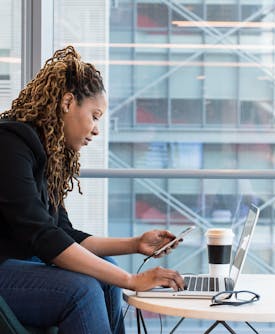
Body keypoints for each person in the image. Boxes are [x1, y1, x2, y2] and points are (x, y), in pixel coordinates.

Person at [0, 46, 185, 334]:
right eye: (95, 115)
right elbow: (44, 238)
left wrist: (135, 244)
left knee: (104, 272)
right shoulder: (10, 145)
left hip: (17, 263)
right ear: (68, 102)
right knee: (82, 290)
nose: (97, 129)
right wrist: (131, 279)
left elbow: (62, 234)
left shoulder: (46, 155)